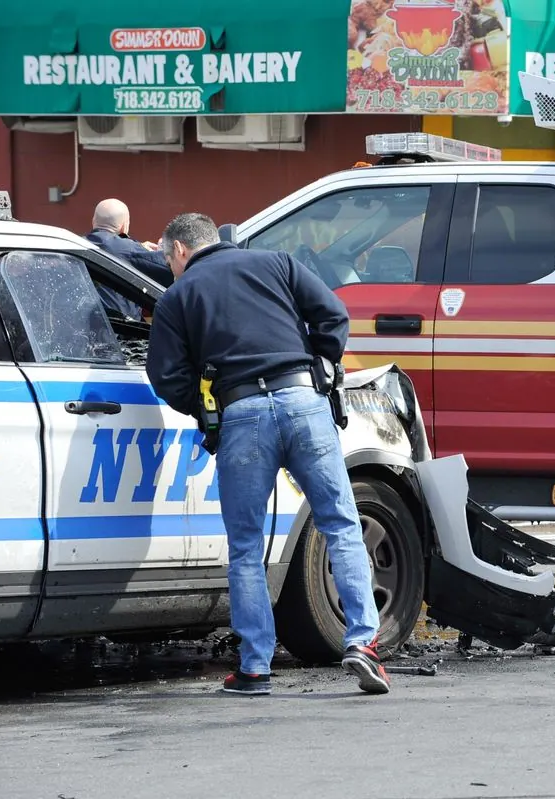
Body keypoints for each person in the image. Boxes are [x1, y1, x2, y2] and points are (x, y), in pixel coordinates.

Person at [144, 212, 389, 697]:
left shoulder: (179, 296)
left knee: (247, 548)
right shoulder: (276, 263)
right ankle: (363, 643)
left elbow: (165, 375)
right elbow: (333, 315)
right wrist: (320, 365)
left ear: (178, 251)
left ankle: (255, 667)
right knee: (339, 523)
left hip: (241, 416)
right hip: (304, 403)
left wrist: (205, 405)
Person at [84, 198, 175, 288]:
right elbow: (173, 270)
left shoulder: (76, 244)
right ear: (124, 226)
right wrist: (161, 251)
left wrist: (139, 247)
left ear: (93, 221)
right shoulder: (130, 251)